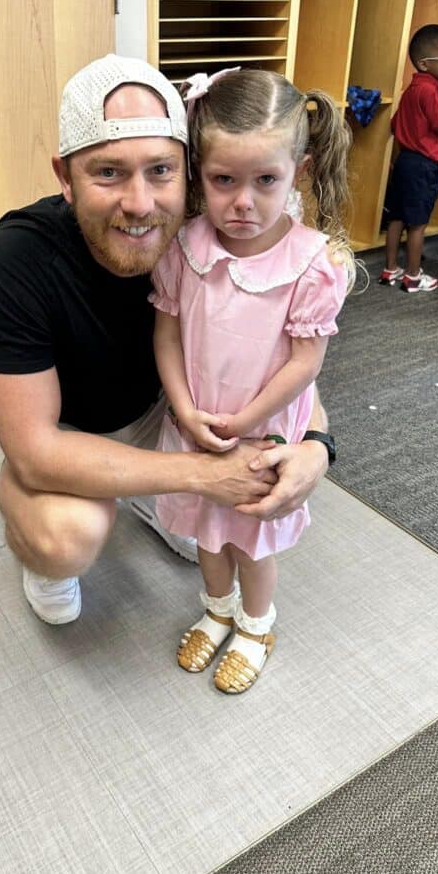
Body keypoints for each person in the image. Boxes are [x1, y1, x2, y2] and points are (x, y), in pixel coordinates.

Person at [0, 54, 335, 627]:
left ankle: (140, 487)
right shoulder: (14, 259)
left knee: (213, 543)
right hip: (58, 428)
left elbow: (286, 358)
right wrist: (205, 475)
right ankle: (40, 522)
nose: (140, 203)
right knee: (67, 535)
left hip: (162, 415)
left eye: (161, 170)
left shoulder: (205, 238)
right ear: (64, 177)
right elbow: (37, 448)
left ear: (188, 172)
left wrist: (316, 446)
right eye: (108, 172)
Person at [150, 68, 353, 693]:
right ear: (198, 177)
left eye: (266, 181)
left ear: (302, 170)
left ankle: (256, 623)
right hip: (196, 427)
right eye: (223, 181)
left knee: (250, 540)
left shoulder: (314, 264)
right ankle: (216, 610)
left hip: (262, 434)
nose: (243, 202)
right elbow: (167, 334)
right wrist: (185, 410)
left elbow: (304, 363)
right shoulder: (185, 247)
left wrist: (242, 422)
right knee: (205, 530)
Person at [380, 24, 438, 293]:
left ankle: (390, 268)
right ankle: (413, 277)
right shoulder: (431, 90)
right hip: (423, 166)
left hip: (405, 162)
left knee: (396, 219)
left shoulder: (412, 89)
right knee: (418, 225)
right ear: (425, 64)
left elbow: (395, 125)